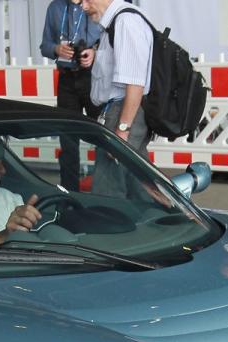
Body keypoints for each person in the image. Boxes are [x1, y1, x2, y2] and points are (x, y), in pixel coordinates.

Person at [80, 0, 154, 197]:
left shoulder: (125, 22)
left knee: (108, 193)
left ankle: (108, 226)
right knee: (138, 187)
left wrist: (121, 132)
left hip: (122, 114)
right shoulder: (115, 24)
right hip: (120, 114)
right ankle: (157, 223)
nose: (83, 7)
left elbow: (135, 85)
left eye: (86, 0)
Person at [40, 0, 103, 192]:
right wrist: (56, 49)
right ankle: (69, 195)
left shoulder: (97, 3)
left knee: (102, 136)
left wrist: (95, 52)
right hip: (66, 79)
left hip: (93, 77)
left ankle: (104, 190)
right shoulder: (55, 8)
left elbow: (112, 40)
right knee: (67, 140)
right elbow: (45, 46)